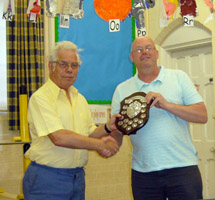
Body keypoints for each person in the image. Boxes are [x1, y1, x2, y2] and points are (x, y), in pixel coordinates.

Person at [111, 36, 208, 200]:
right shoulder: (122, 90)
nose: (144, 53)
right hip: (143, 173)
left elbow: (202, 115)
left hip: (182, 169)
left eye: (148, 48)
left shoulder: (179, 77)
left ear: (156, 53)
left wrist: (167, 105)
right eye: (139, 50)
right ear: (132, 57)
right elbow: (117, 131)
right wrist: (109, 144)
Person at [23, 41, 121, 200]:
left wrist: (108, 127)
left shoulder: (79, 99)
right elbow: (59, 137)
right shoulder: (41, 98)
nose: (69, 70)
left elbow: (89, 133)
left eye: (74, 65)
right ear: (51, 66)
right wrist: (101, 145)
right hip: (47, 179)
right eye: (63, 64)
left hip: (77, 178)